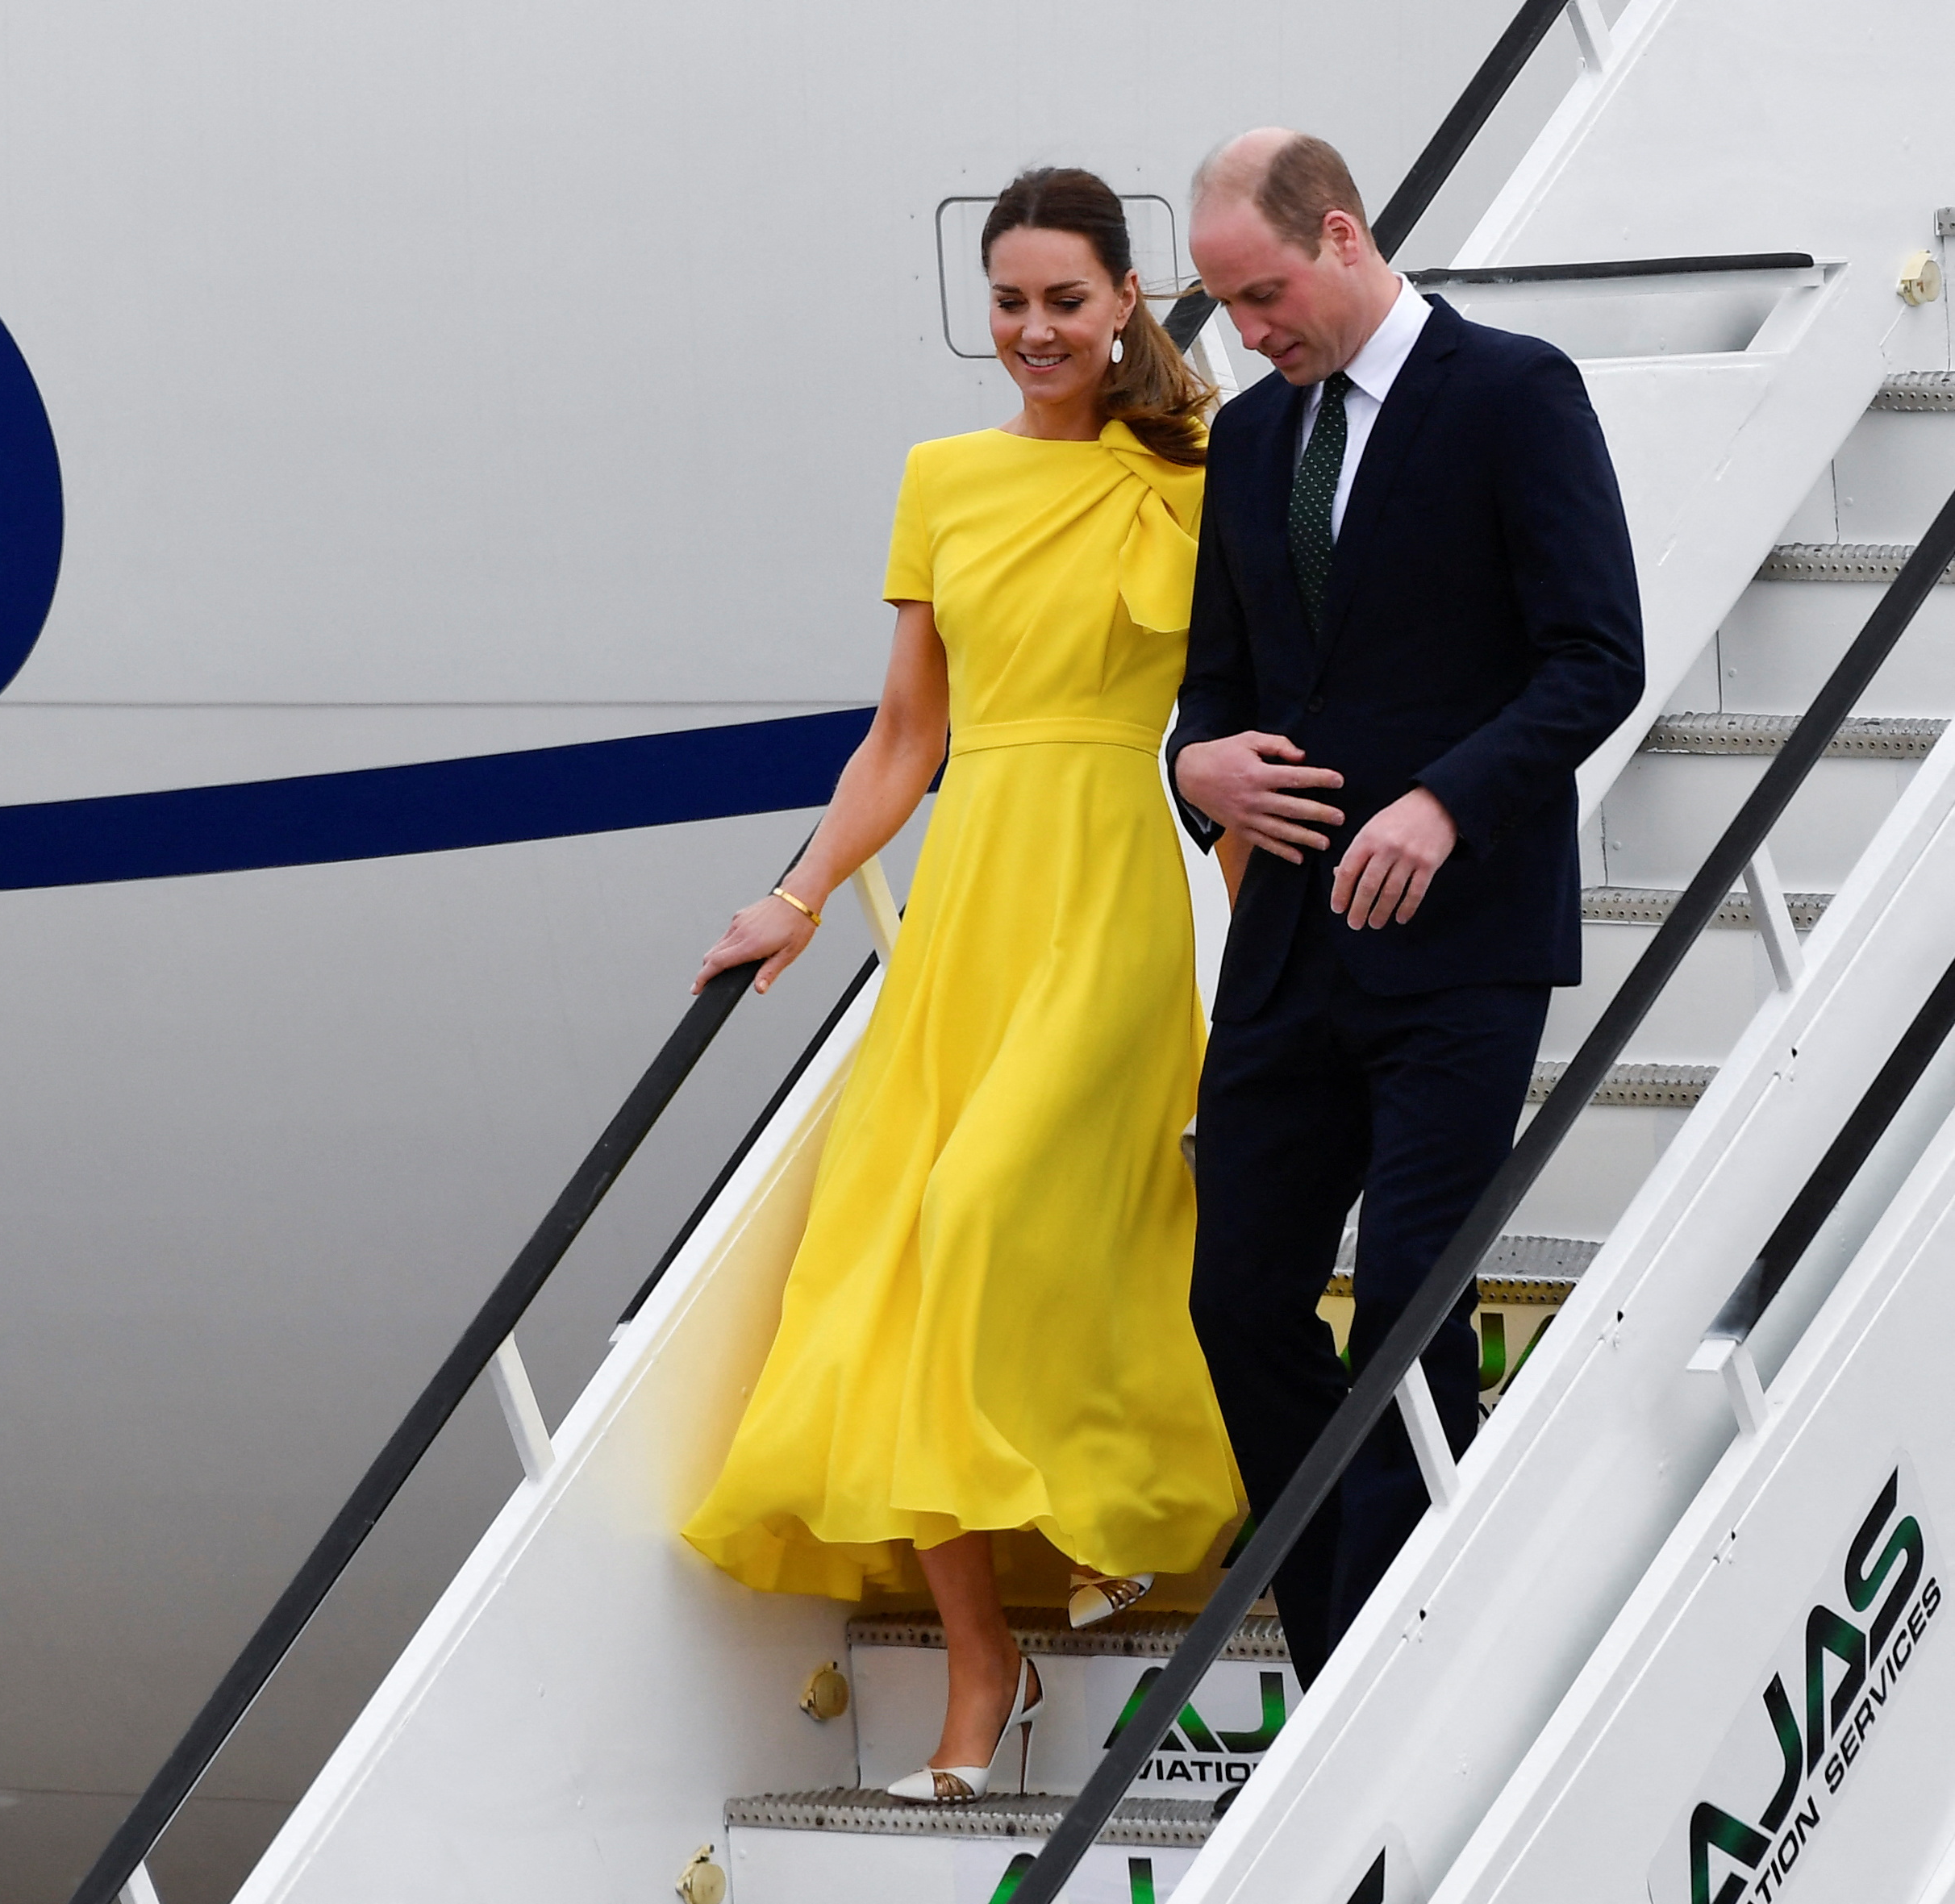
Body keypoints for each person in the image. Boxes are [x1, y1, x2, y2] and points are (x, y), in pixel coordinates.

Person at [680, 166, 1240, 1804]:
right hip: (972, 894)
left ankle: (1113, 1497)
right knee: (905, 1250)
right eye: (1007, 301)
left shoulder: (1201, 473)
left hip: (1116, 882)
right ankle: (979, 1652)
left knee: (1002, 1203)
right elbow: (905, 738)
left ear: (1125, 298)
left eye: (1065, 299)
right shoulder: (941, 477)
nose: (1034, 330)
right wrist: (794, 897)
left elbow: (1258, 700)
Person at [1168, 129, 1644, 1692]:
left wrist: (1445, 799)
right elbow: (1215, 692)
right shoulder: (1247, 445)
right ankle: (1344, 1657)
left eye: (1262, 294)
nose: (1247, 332)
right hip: (1290, 951)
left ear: (1345, 234)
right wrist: (1198, 766)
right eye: (1225, 307)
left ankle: (1387, 1682)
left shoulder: (1511, 394)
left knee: (1408, 1316)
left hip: (1459, 950)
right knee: (1236, 1301)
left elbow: (1592, 657)